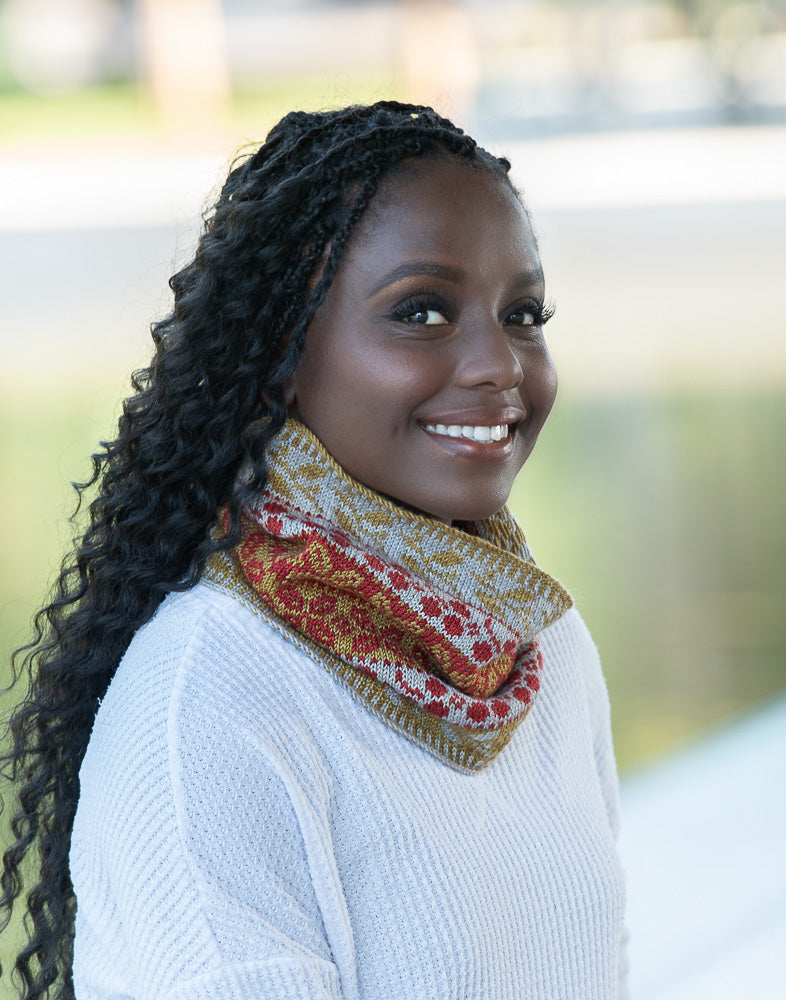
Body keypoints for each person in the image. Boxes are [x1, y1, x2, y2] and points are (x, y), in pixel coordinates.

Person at [0, 101, 627, 1000]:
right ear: (281, 355)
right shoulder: (208, 696)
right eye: (421, 312)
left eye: (523, 312)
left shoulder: (543, 651)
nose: (501, 364)